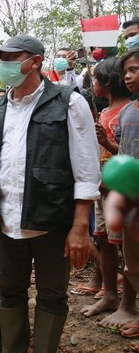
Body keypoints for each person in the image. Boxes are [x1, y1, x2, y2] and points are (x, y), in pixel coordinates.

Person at [0, 34, 101, 352]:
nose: (5, 66)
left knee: (52, 293)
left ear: (35, 62)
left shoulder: (70, 102)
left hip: (51, 220)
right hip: (5, 221)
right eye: (2, 59)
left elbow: (86, 170)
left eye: (12, 58)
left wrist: (79, 227)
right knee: (9, 290)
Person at [79, 58, 131, 319]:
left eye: (96, 79)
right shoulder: (104, 111)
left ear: (107, 82)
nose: (92, 85)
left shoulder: (129, 111)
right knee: (104, 240)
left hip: (120, 190)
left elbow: (126, 152)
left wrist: (108, 143)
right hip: (102, 187)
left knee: (127, 246)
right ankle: (110, 295)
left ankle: (128, 303)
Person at [98, 47, 139, 341]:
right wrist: (108, 145)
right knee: (134, 263)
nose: (128, 75)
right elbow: (123, 154)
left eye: (134, 69)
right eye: (126, 70)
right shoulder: (127, 112)